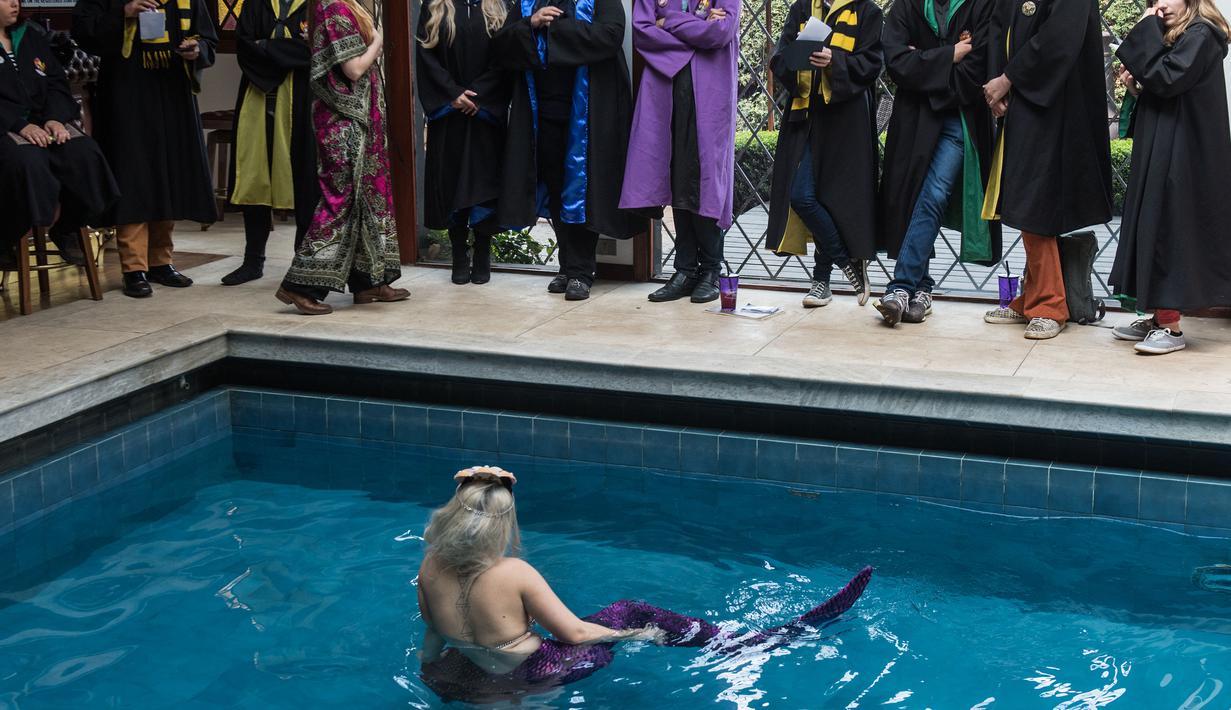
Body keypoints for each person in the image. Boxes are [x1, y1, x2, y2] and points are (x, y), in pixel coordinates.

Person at [416, 466, 874, 705]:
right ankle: (740, 643)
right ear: (502, 524)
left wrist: (435, 672)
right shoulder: (514, 572)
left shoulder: (431, 565)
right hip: (537, 673)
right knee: (630, 610)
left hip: (462, 678)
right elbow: (574, 634)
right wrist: (638, 634)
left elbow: (433, 634)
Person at [980, 0, 1113, 339]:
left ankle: (1050, 304)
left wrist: (1008, 78)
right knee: (1028, 199)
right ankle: (1033, 296)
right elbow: (998, 27)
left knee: (1036, 200)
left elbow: (1059, 37)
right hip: (1021, 97)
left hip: (1054, 104)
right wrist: (997, 85)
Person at [491, 0, 640, 301]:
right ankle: (568, 266)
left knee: (583, 193)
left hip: (587, 116)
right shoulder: (529, 4)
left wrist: (555, 29)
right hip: (541, 113)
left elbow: (611, 36)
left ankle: (581, 272)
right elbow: (502, 45)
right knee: (556, 188)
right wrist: (531, 24)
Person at [1108, 0, 1231, 354]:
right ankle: (1158, 317)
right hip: (1166, 145)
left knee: (1169, 227)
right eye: (1153, 0)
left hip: (1182, 153)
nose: (1159, 6)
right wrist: (1136, 88)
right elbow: (1165, 86)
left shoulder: (1202, 35)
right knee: (1154, 222)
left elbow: (1168, 79)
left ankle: (1171, 328)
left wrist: (1145, 29)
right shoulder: (1184, 36)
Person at [72, 0, 218, 298]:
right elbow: (84, 31)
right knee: (134, 175)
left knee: (168, 173)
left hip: (173, 90)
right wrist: (123, 13)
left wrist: (197, 50)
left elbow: (207, 38)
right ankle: (133, 267)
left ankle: (161, 261)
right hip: (128, 90)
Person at [274, 0, 407, 315]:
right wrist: (378, 41)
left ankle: (369, 282)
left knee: (369, 198)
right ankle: (299, 286)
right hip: (343, 124)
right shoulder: (334, 8)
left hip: (362, 121)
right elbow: (354, 69)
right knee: (342, 202)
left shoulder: (348, 5)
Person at [875, 0, 1000, 325]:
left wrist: (924, 63)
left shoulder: (982, 5)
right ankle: (922, 289)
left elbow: (978, 65)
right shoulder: (907, 6)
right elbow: (896, 63)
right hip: (914, 121)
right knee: (914, 195)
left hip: (958, 119)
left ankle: (900, 287)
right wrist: (949, 55)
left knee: (934, 194)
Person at [764, 0, 882, 310]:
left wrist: (833, 61)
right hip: (806, 115)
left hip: (847, 121)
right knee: (801, 196)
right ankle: (848, 261)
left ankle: (821, 280)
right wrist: (796, 59)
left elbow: (872, 64)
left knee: (832, 199)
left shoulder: (867, 11)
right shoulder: (802, 8)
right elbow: (779, 57)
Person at [621, 0, 739, 304]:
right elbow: (643, 30)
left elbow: (721, 32)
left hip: (709, 91)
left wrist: (669, 21)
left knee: (705, 178)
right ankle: (685, 270)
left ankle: (711, 269)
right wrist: (698, 28)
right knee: (676, 175)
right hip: (666, 88)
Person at [0, 0, 119, 268]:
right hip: (6, 127)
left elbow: (56, 83)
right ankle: (6, 238)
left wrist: (54, 118)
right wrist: (19, 125)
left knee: (85, 154)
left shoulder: (30, 36)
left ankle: (67, 227)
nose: (14, 3)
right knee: (29, 163)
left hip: (43, 122)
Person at [220, 0, 318, 286]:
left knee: (304, 179)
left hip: (301, 98)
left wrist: (267, 46)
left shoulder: (314, 5)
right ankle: (253, 261)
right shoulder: (256, 3)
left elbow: (315, 51)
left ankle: (303, 262)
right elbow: (244, 47)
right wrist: (285, 53)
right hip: (256, 94)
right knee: (255, 175)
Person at [416, 0, 510, 286]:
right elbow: (426, 57)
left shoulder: (500, 6)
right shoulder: (435, 6)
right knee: (451, 180)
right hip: (449, 115)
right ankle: (459, 253)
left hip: (486, 115)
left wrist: (478, 95)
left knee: (484, 182)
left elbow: (506, 58)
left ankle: (482, 251)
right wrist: (452, 94)